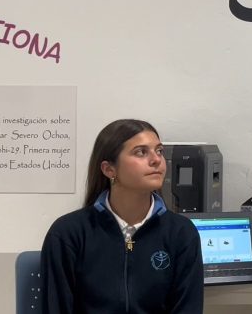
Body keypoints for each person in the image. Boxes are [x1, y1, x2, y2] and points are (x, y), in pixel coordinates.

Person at [41, 119, 203, 314]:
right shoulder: (68, 233)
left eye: (159, 151)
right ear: (109, 169)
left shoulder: (181, 233)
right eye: (141, 152)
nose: (156, 160)